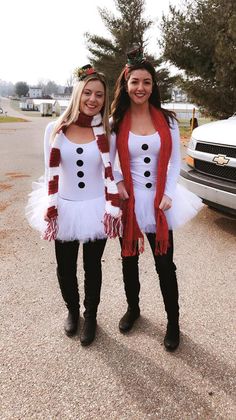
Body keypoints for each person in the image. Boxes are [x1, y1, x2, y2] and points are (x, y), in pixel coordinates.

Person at [110, 47, 203, 351]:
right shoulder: (116, 121)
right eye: (135, 82)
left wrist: (168, 193)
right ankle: (133, 309)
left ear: (153, 86)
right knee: (129, 262)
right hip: (131, 205)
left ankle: (173, 322)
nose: (140, 88)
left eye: (146, 82)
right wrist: (120, 183)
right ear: (126, 85)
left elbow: (175, 160)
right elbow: (109, 161)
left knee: (166, 265)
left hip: (160, 204)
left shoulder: (169, 120)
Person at [26, 65, 122, 346]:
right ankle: (72, 309)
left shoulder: (107, 131)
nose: (93, 100)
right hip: (65, 207)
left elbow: (113, 170)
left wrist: (121, 194)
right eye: (88, 93)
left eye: (100, 95)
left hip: (95, 209)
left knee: (93, 266)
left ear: (105, 100)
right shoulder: (54, 129)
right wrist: (50, 205)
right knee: (65, 266)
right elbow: (48, 169)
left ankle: (90, 315)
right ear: (78, 94)